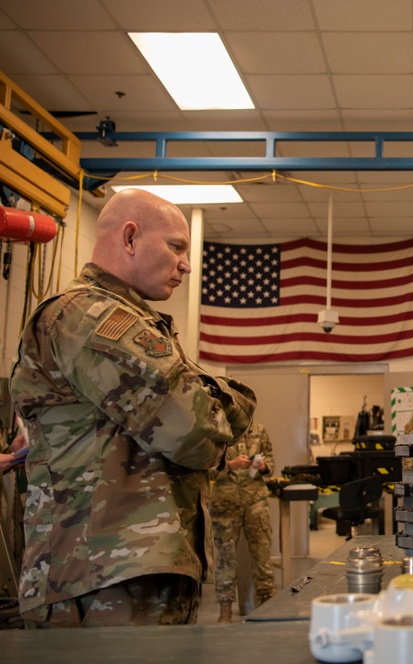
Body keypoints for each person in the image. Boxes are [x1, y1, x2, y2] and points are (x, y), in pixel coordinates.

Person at [9, 188, 257, 628]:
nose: (186, 264)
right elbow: (196, 432)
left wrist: (211, 399)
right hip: (100, 576)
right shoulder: (91, 316)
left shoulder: (127, 320)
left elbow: (201, 410)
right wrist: (223, 404)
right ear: (129, 238)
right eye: (176, 246)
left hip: (129, 569)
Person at [210, 422, 277, 624]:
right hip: (224, 502)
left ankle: (266, 606)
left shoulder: (259, 430)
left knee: (262, 556)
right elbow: (205, 469)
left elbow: (271, 464)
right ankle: (225, 610)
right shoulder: (214, 430)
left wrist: (263, 466)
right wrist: (230, 465)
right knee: (225, 559)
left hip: (255, 500)